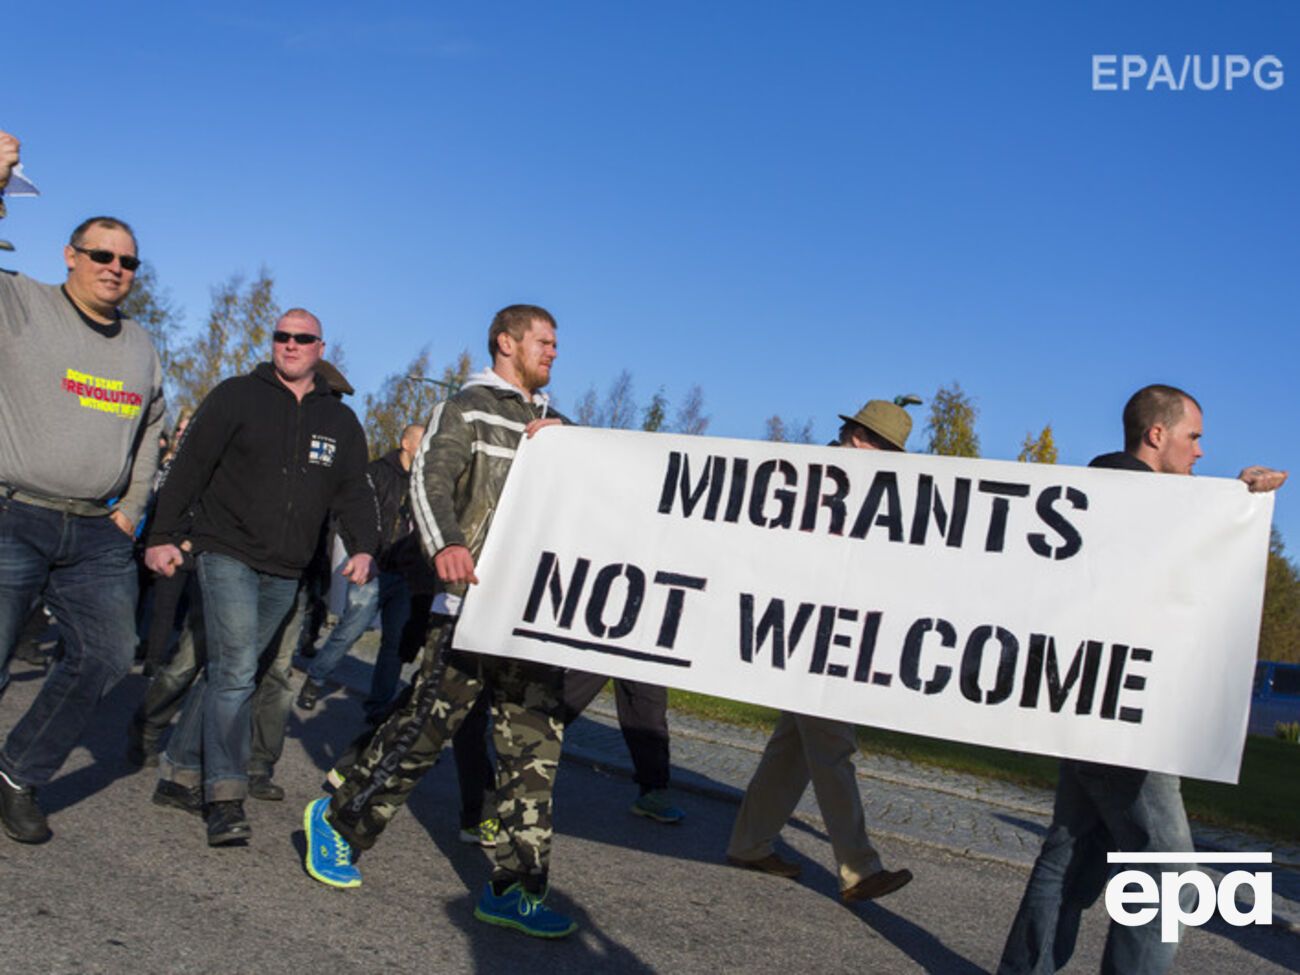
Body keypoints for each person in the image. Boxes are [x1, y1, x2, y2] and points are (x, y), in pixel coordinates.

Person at [302, 304, 578, 940]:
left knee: (533, 754)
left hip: (533, 618)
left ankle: (515, 889)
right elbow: (430, 476)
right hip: (470, 606)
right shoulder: (471, 405)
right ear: (506, 343)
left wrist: (563, 446)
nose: (554, 353)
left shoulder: (559, 425)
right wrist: (446, 545)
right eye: (545, 341)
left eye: (558, 345)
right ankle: (339, 821)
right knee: (427, 727)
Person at [997, 384, 1287, 975]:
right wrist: (1235, 504)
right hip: (1130, 718)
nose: (1200, 452)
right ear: (1157, 435)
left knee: (1072, 854)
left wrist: (1235, 500)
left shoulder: (1097, 500)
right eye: (1193, 437)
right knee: (1170, 873)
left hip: (1085, 706)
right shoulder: (1137, 507)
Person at [144, 310, 377, 846]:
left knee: (227, 668)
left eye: (301, 338)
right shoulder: (235, 396)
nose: (289, 345)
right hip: (225, 551)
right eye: (281, 336)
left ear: (321, 347)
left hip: (288, 569)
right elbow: (188, 467)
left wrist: (365, 548)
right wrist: (162, 533)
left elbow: (354, 493)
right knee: (237, 671)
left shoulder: (341, 422)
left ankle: (178, 770)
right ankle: (224, 796)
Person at [0, 129, 166, 844]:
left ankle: (19, 773)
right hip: (14, 514)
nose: (116, 268)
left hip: (96, 533)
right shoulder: (21, 304)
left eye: (127, 261)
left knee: (105, 651)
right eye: (102, 255)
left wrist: (131, 510)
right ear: (70, 256)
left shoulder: (141, 344)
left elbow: (152, 430)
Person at [725, 400, 914, 902]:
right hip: (806, 633)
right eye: (886, 448)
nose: (892, 460)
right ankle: (859, 868)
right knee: (832, 746)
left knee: (793, 748)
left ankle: (749, 843)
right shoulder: (810, 481)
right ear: (857, 437)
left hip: (829, 631)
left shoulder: (857, 490)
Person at [297, 422, 427, 716]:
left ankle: (379, 704)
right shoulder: (376, 473)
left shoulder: (425, 482)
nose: (425, 449)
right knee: (351, 629)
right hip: (375, 567)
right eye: (421, 442)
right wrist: (362, 552)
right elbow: (354, 515)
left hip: (406, 574)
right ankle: (316, 678)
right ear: (406, 443)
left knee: (394, 641)